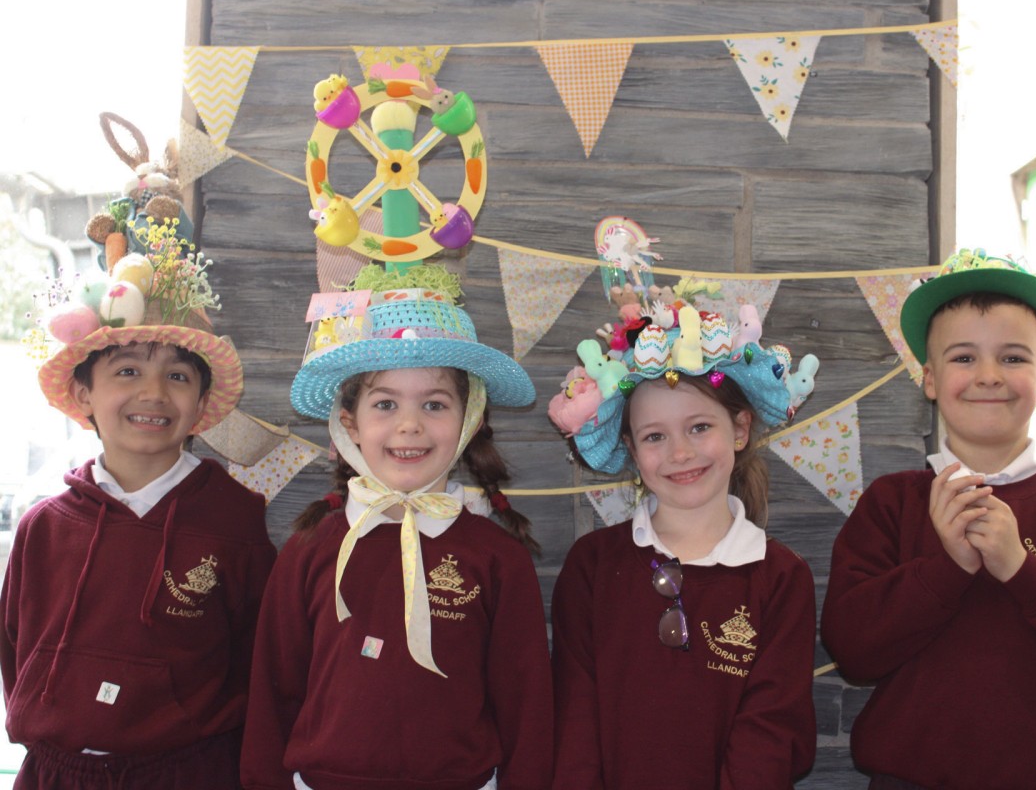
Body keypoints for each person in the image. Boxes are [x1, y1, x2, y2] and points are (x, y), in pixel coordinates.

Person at [821, 249, 1036, 789]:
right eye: (963, 358)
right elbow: (852, 649)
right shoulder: (893, 503)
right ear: (930, 379)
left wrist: (1025, 569)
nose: (988, 376)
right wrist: (947, 568)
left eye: (1012, 358)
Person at [241, 266, 552, 790]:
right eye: (385, 404)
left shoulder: (498, 559)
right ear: (350, 424)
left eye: (434, 404)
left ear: (468, 419)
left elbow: (526, 710)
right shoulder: (310, 549)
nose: (410, 425)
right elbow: (273, 693)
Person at [1, 237, 276, 788]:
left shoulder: (235, 523)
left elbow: (261, 661)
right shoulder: (43, 526)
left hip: (189, 770)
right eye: (127, 371)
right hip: (56, 772)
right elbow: (15, 651)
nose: (153, 393)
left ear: (201, 406)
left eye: (177, 376)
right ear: (83, 394)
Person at [548, 298, 818, 788]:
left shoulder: (780, 577)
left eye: (699, 427)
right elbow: (575, 723)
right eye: (654, 436)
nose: (679, 452)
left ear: (739, 429)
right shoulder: (591, 566)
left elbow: (773, 734)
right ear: (631, 449)